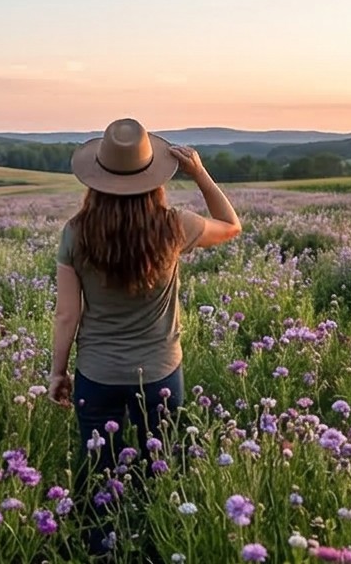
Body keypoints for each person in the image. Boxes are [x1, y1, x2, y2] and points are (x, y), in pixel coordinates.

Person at [47, 117, 241, 556]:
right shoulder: (175, 225)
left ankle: (102, 551)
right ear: (155, 180)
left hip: (96, 375)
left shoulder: (76, 233)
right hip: (159, 375)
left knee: (99, 477)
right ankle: (157, 548)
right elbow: (231, 225)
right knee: (161, 473)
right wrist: (200, 173)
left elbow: (66, 314)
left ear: (96, 180)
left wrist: (58, 372)